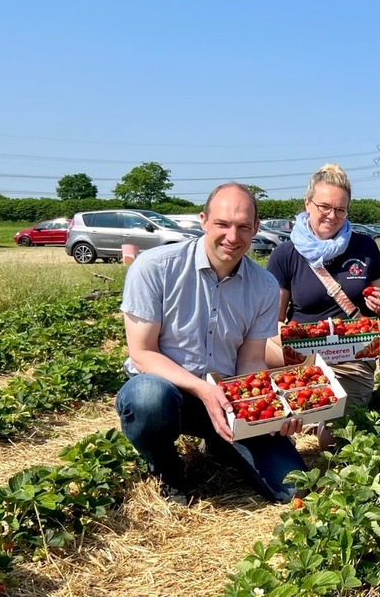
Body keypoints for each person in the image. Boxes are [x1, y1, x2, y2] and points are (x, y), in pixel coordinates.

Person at [115, 183, 307, 506]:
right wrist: (204, 390)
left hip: (227, 400)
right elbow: (142, 353)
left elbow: (249, 363)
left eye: (244, 226)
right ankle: (166, 468)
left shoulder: (263, 286)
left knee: (294, 488)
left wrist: (275, 410)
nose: (233, 236)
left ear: (256, 228)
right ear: (203, 221)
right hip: (169, 392)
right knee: (147, 398)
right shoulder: (155, 268)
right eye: (223, 224)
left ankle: (221, 442)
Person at [265, 163, 380, 409]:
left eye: (340, 210)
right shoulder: (286, 253)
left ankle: (324, 414)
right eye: (324, 207)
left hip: (351, 355)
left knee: (336, 438)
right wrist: (301, 345)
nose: (332, 216)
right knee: (251, 351)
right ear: (307, 204)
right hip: (302, 354)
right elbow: (274, 320)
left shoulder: (364, 247)